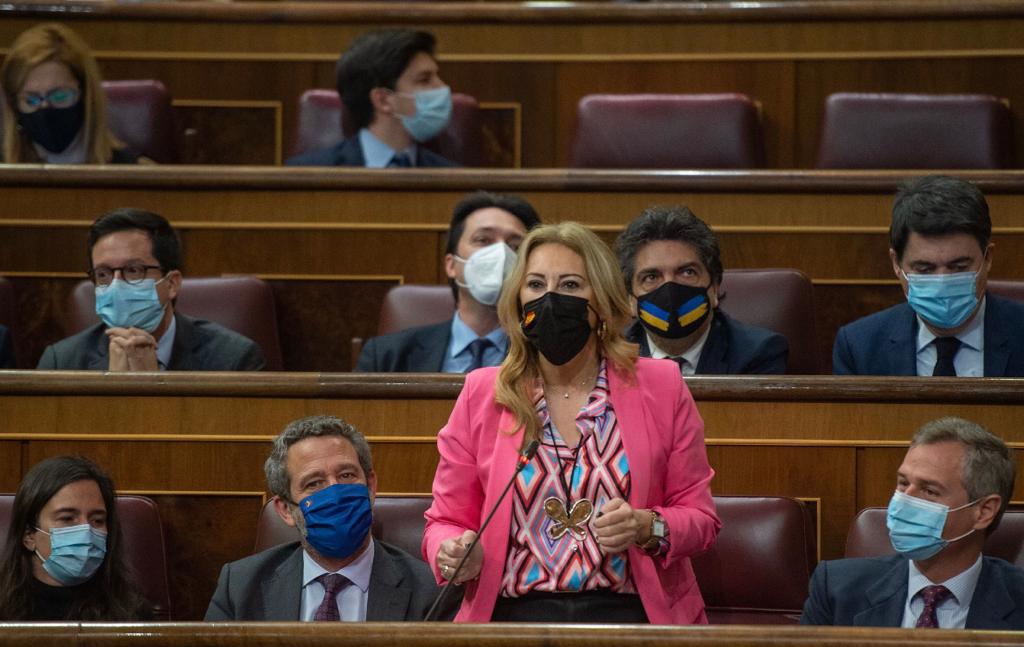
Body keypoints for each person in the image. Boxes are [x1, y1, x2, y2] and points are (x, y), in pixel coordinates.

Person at [423, 221, 720, 623]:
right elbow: (445, 520)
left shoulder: (662, 385)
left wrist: (646, 525)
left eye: (569, 286)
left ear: (602, 298)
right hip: (513, 617)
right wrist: (454, 550)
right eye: (536, 285)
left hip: (631, 617)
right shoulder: (482, 392)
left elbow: (701, 519)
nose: (550, 299)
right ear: (517, 300)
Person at [206, 415, 448, 621]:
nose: (334, 493)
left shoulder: (431, 593)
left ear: (370, 486)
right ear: (285, 510)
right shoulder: (240, 587)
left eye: (346, 475)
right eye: (314, 483)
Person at [801, 417, 1024, 629]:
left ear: (984, 511)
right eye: (903, 483)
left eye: (929, 491)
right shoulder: (837, 589)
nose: (904, 500)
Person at [834, 175, 1024, 376]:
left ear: (988, 258)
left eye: (959, 266)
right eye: (924, 269)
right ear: (896, 264)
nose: (942, 282)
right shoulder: (859, 347)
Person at [36, 208, 265, 371]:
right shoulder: (62, 361)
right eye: (103, 274)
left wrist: (152, 388)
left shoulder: (234, 360)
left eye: (133, 270)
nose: (116, 285)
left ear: (172, 283)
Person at [357, 191, 541, 372]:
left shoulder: (544, 357)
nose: (501, 254)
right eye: (483, 240)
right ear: (451, 264)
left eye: (515, 246)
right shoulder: (386, 356)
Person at [615, 206, 788, 375]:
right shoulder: (609, 356)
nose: (669, 289)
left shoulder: (758, 354)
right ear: (631, 299)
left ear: (713, 288)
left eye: (687, 272)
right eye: (651, 277)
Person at [0, 456, 149, 620]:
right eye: (67, 518)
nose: (86, 531)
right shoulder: (4, 609)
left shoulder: (131, 613)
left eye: (97, 520)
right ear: (28, 536)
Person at [286, 29, 456, 168]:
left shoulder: (454, 178)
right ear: (383, 100)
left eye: (437, 77)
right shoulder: (308, 174)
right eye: (425, 80)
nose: (442, 88)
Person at [1, 23, 139, 164]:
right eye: (31, 101)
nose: (45, 109)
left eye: (60, 96)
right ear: (15, 106)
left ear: (86, 96)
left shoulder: (132, 172)